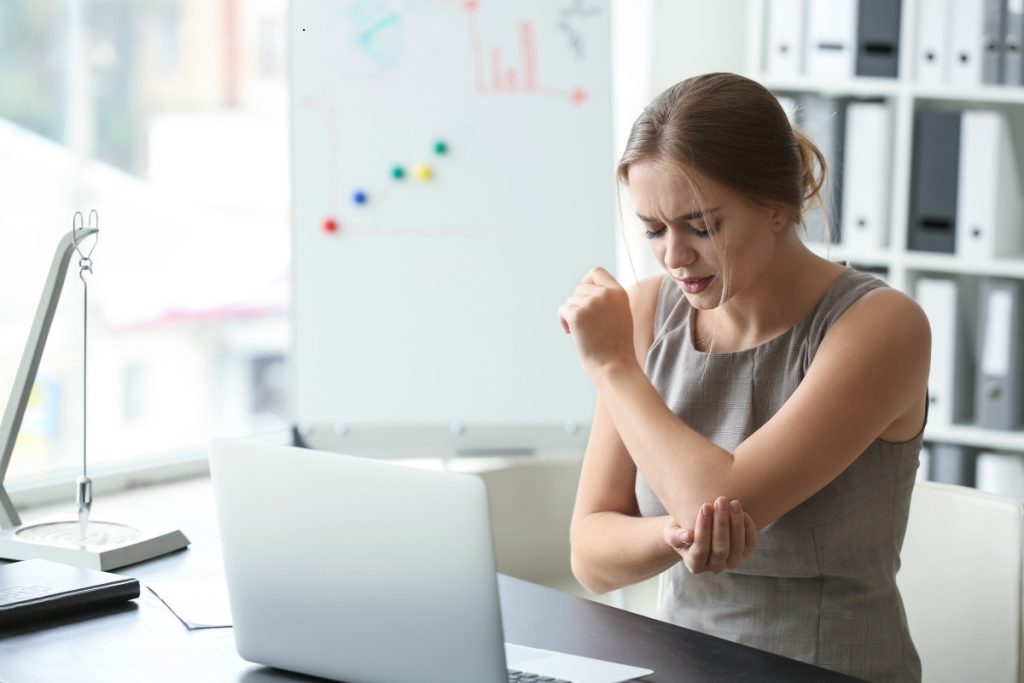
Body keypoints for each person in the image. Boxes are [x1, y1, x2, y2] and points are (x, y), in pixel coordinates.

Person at [557, 72, 929, 683]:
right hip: (675, 667)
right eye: (653, 229)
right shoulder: (650, 311)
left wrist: (612, 366)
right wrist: (678, 536)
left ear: (777, 206)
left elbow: (716, 498)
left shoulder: (880, 326)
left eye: (700, 226)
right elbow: (591, 557)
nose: (674, 255)